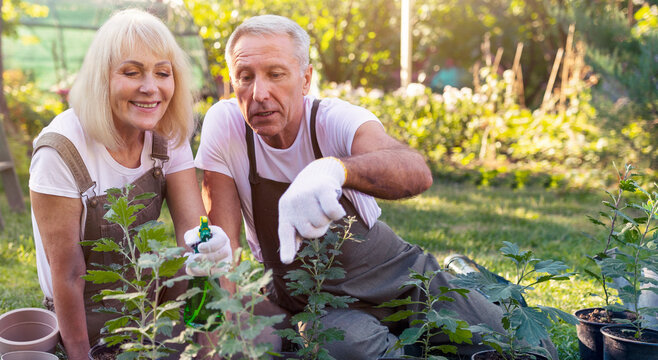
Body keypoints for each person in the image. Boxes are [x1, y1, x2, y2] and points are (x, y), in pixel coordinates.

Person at [195, 14, 558, 359]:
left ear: (305, 79)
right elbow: (225, 253)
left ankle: (472, 281)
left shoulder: (333, 119)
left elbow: (414, 170)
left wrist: (332, 170)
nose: (259, 92)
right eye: (245, 77)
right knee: (340, 348)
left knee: (529, 351)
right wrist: (219, 328)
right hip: (318, 302)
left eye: (276, 74)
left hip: (397, 276)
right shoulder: (226, 127)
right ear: (232, 81)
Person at [29, 9, 231, 360]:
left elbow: (193, 235)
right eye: (131, 72)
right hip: (87, 313)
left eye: (162, 73)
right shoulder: (61, 151)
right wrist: (80, 355)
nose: (150, 88)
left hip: (150, 294)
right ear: (101, 78)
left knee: (213, 271)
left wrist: (207, 348)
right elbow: (69, 275)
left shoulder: (166, 132)